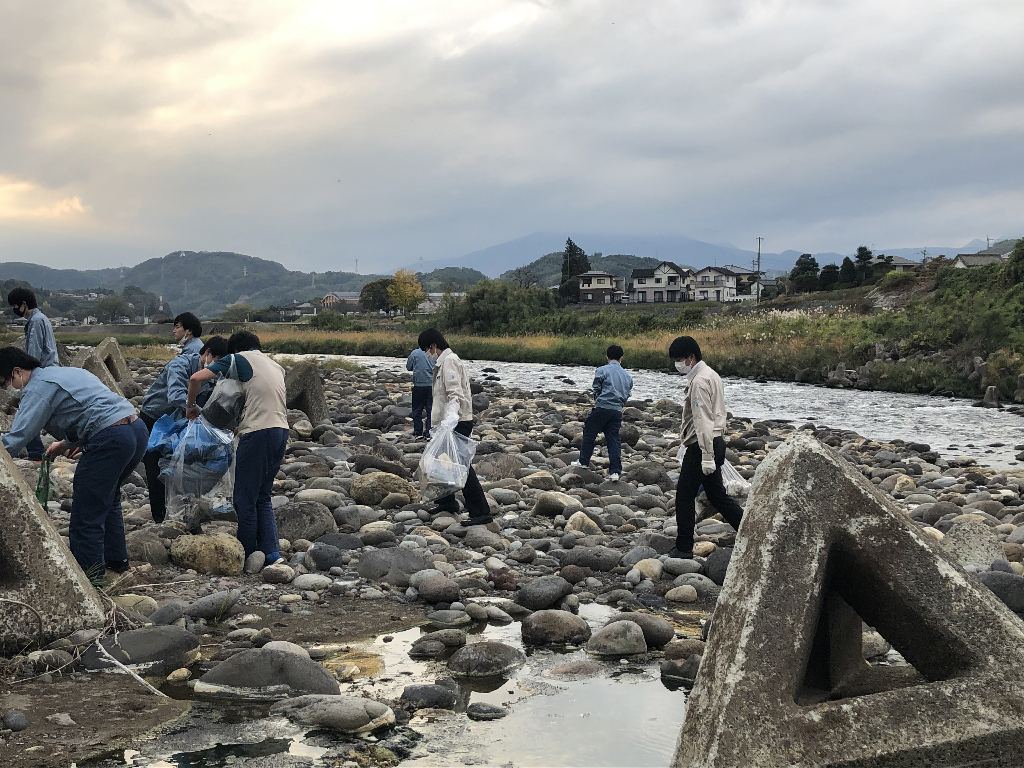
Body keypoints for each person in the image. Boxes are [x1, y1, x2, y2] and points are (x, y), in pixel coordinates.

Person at [0, 347, 146, 578]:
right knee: (108, 498)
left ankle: (90, 578)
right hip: (136, 430)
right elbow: (91, 406)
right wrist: (66, 443)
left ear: (17, 371)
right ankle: (116, 561)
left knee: (86, 511)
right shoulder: (64, 373)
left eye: (5, 381)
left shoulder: (37, 388)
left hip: (111, 438)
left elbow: (18, 437)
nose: (8, 388)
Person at [185, 330, 287, 564]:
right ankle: (271, 553)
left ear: (234, 350)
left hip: (257, 432)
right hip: (281, 430)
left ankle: (246, 552)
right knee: (262, 495)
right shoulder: (275, 365)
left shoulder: (237, 359)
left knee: (244, 498)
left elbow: (196, 378)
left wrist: (190, 405)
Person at [668, 335, 744, 559]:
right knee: (717, 495)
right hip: (716, 441)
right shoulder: (711, 374)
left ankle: (683, 548)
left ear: (692, 357)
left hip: (703, 446)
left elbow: (702, 421)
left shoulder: (699, 381)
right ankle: (748, 531)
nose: (678, 364)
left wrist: (707, 456)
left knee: (684, 495)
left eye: (680, 359)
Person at [419, 328, 493, 527]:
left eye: (427, 349)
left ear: (433, 346)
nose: (428, 354)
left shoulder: (449, 361)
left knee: (461, 466)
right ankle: (447, 502)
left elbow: (455, 393)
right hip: (447, 422)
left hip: (456, 420)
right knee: (444, 462)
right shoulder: (443, 362)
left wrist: (451, 417)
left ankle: (481, 512)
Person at [138, 312, 205, 524]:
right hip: (170, 415)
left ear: (189, 331)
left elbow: (178, 393)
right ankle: (175, 513)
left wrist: (197, 411)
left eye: (177, 327)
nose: (174, 330)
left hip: (157, 414)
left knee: (154, 463)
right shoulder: (196, 351)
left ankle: (161, 515)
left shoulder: (193, 354)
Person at [7, 287, 59, 460]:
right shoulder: (42, 318)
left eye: (15, 306)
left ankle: (36, 452)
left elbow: (33, 354)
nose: (15, 310)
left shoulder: (35, 321)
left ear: (23, 304)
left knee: (28, 412)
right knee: (48, 413)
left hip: (41, 372)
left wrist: (27, 378)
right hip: (50, 371)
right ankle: (67, 442)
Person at [571, 344, 632, 482]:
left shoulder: (602, 370)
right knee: (613, 439)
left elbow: (596, 388)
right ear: (621, 358)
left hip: (603, 407)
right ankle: (615, 472)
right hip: (617, 410)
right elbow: (628, 393)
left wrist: (597, 399)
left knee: (589, 431)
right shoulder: (627, 376)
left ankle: (584, 462)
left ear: (607, 356)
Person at [406, 345, 435, 439]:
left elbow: (409, 367)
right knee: (430, 410)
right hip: (432, 385)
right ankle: (429, 432)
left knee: (417, 410)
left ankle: (418, 432)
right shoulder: (434, 353)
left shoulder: (415, 353)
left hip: (419, 385)